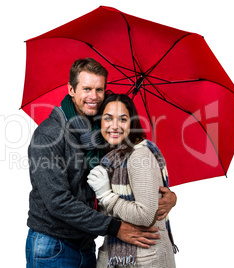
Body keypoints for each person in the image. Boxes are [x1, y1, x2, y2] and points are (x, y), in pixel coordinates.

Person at [26, 58, 177, 267]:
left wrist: (167, 196)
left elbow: (129, 181)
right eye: (87, 88)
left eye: (99, 89)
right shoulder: (48, 135)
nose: (94, 97)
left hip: (87, 244)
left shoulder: (102, 131)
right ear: (71, 89)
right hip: (53, 245)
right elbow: (57, 202)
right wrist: (114, 227)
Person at [87, 94, 177, 267]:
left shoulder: (139, 156)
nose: (114, 126)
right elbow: (107, 217)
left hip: (144, 259)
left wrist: (107, 195)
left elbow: (146, 215)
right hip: (117, 256)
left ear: (131, 123)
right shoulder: (112, 158)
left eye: (123, 119)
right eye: (108, 118)